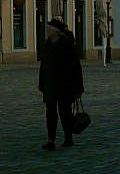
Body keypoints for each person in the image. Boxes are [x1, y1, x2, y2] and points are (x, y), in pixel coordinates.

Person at [38, 18, 84, 151]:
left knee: (65, 112)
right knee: (50, 113)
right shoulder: (46, 45)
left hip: (64, 84)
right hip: (50, 85)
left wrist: (78, 86)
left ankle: (68, 137)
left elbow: (76, 67)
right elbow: (43, 67)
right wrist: (41, 83)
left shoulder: (67, 45)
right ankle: (50, 139)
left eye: (50, 28)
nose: (47, 30)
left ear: (57, 32)